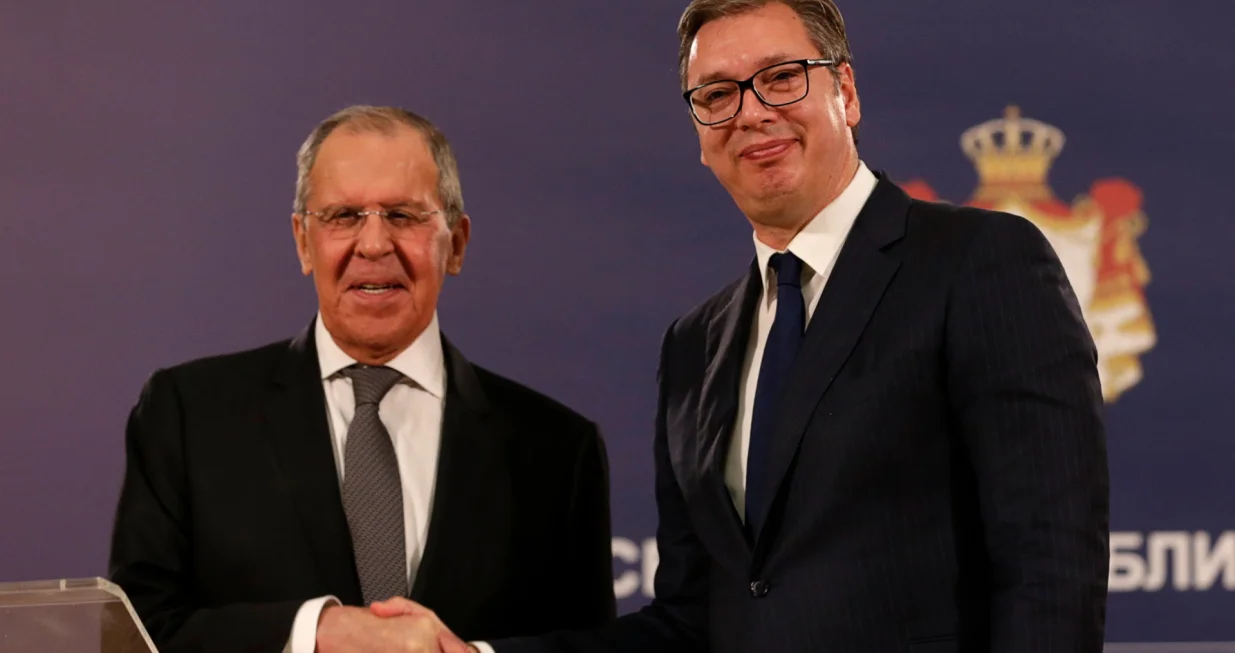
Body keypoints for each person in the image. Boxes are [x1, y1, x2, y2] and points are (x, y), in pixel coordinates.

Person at [381, 1, 1112, 652]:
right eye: (716, 94)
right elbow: (693, 618)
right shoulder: (694, 345)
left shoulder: (979, 263)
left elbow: (1049, 567)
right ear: (698, 131)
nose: (751, 111)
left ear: (846, 92)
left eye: (782, 77)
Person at [107, 105, 617, 653]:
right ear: (304, 241)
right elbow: (136, 633)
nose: (373, 245)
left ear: (458, 244)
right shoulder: (189, 416)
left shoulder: (558, 451)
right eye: (344, 216)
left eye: (403, 215)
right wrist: (314, 633)